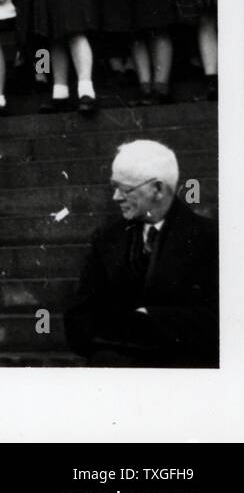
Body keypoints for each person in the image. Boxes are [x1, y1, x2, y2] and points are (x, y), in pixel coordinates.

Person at [65, 140, 217, 367]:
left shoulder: (210, 237)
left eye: (125, 188)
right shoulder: (107, 239)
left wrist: (149, 319)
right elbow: (79, 319)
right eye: (113, 186)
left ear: (157, 188)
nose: (116, 196)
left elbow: (222, 323)